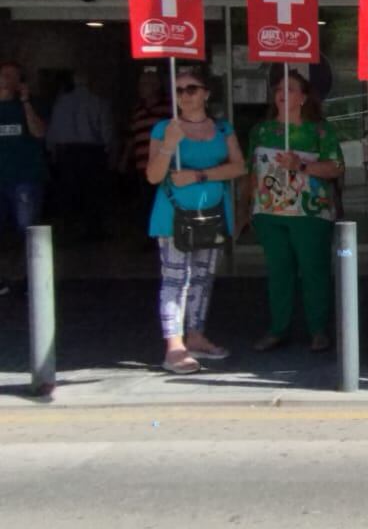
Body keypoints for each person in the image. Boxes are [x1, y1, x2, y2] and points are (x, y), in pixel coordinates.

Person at [144, 67, 246, 374]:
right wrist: (168, 146)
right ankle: (174, 345)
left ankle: (196, 335)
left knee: (202, 277)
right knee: (175, 279)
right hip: (173, 214)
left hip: (211, 210)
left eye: (191, 88)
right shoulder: (165, 128)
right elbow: (153, 176)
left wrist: (200, 175)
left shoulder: (223, 129)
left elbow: (239, 167)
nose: (184, 95)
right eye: (178, 90)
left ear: (206, 93)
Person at [247, 69, 345, 354]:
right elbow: (251, 172)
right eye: (279, 88)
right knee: (279, 272)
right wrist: (246, 209)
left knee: (314, 271)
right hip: (269, 212)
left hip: (310, 213)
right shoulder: (261, 130)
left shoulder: (320, 130)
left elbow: (336, 167)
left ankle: (318, 330)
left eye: (290, 88)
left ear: (303, 97)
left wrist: (301, 166)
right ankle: (278, 329)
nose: (282, 93)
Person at [45, 71, 117, 241]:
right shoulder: (99, 102)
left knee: (68, 193)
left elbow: (52, 130)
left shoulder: (60, 103)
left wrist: (51, 152)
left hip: (66, 153)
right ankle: (93, 230)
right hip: (92, 152)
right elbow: (107, 131)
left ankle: (68, 231)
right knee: (93, 194)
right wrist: (109, 151)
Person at [0, 60, 48, 296]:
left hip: (24, 177)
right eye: (4, 75)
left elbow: (39, 132)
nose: (7, 80)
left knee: (26, 227)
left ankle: (33, 274)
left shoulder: (29, 105)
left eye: (12, 76)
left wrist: (26, 102)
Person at [120, 67, 168, 230]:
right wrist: (124, 160)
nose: (141, 88)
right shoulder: (137, 110)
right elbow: (131, 137)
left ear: (156, 86)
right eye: (141, 84)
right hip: (142, 165)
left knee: (161, 200)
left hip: (164, 165)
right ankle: (149, 236)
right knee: (146, 201)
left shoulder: (167, 108)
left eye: (145, 84)